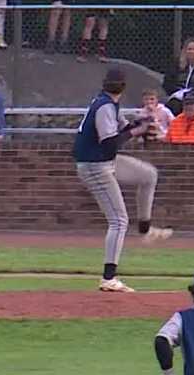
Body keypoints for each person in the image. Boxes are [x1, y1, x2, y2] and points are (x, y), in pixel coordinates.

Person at [73, 68, 173, 293]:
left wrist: (143, 123)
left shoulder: (108, 103)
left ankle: (146, 230)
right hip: (94, 165)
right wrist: (138, 132)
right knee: (119, 220)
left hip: (104, 161)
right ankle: (109, 278)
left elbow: (123, 128)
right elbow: (110, 142)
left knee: (148, 175)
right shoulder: (105, 106)